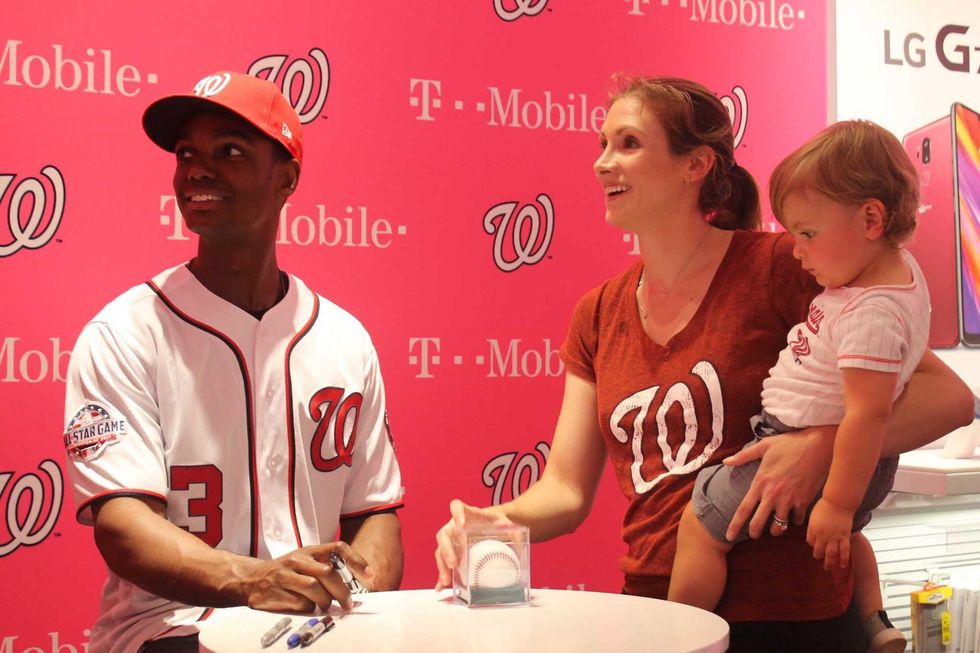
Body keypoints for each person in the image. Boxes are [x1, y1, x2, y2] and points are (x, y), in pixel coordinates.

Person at [433, 76, 974, 652]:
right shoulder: (598, 312)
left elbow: (949, 400)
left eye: (629, 143)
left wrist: (821, 444)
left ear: (696, 165)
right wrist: (495, 521)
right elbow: (565, 489)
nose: (602, 164)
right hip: (658, 615)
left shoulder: (781, 267)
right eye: (602, 144)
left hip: (792, 619)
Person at [62, 71, 404, 653]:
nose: (198, 168)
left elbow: (374, 513)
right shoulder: (124, 333)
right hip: (172, 627)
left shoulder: (345, 338)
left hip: (314, 632)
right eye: (187, 153)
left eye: (231, 151)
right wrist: (256, 581)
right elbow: (123, 526)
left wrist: (352, 591)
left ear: (286, 179)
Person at [668, 120, 926, 653]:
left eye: (807, 234)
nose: (797, 252)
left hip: (808, 447)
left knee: (701, 525)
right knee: (848, 535)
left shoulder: (869, 313)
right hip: (843, 458)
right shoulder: (889, 278)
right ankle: (875, 620)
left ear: (871, 219)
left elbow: (867, 415)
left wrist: (834, 499)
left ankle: (678, 634)